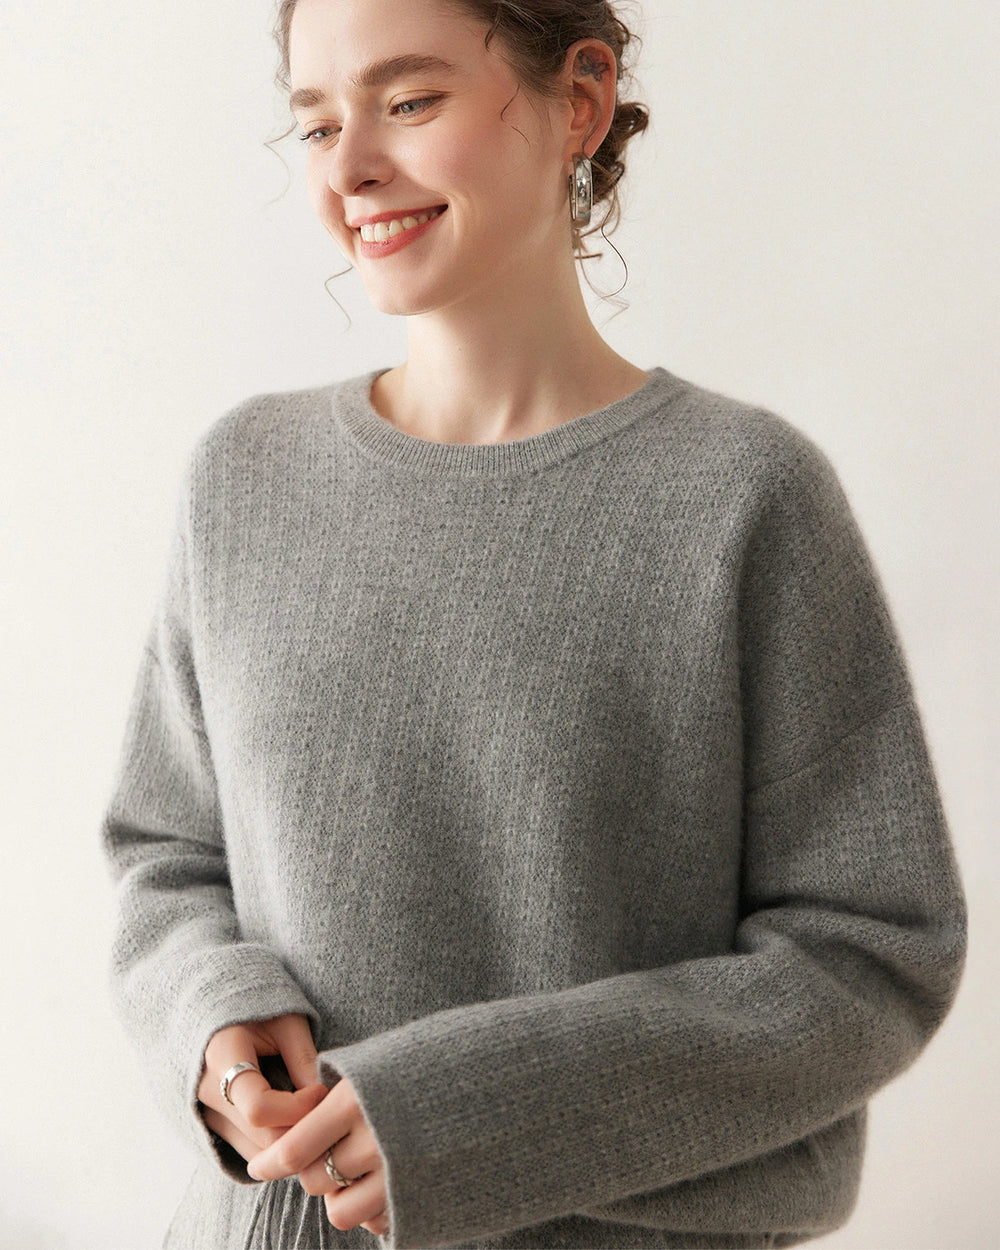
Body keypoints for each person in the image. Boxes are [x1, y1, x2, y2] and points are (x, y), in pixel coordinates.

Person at [101, 1, 967, 1247]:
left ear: (582, 99)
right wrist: (213, 1024)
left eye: (408, 101)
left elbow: (866, 953)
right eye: (316, 124)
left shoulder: (742, 495)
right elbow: (164, 853)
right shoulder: (244, 476)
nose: (350, 168)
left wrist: (465, 1116)